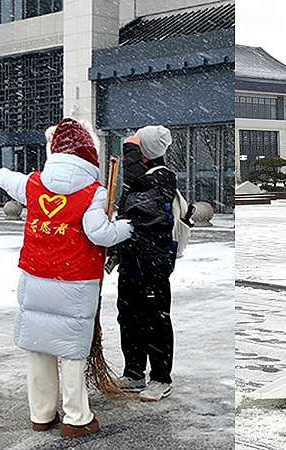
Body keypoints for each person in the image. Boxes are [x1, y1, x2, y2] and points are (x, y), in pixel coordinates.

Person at [0, 117, 132, 438]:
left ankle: (41, 414)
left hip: (36, 275)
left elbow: (11, 180)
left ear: (55, 152)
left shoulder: (34, 183)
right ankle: (76, 418)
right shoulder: (93, 192)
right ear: (88, 155)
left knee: (39, 349)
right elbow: (101, 234)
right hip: (75, 280)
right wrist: (127, 227)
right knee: (71, 352)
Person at [113, 125, 177, 401]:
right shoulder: (139, 177)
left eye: (140, 146)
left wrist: (130, 150)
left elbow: (139, 186)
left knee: (155, 320)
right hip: (130, 261)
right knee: (128, 318)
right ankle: (134, 371)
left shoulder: (162, 177)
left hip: (153, 264)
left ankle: (161, 378)